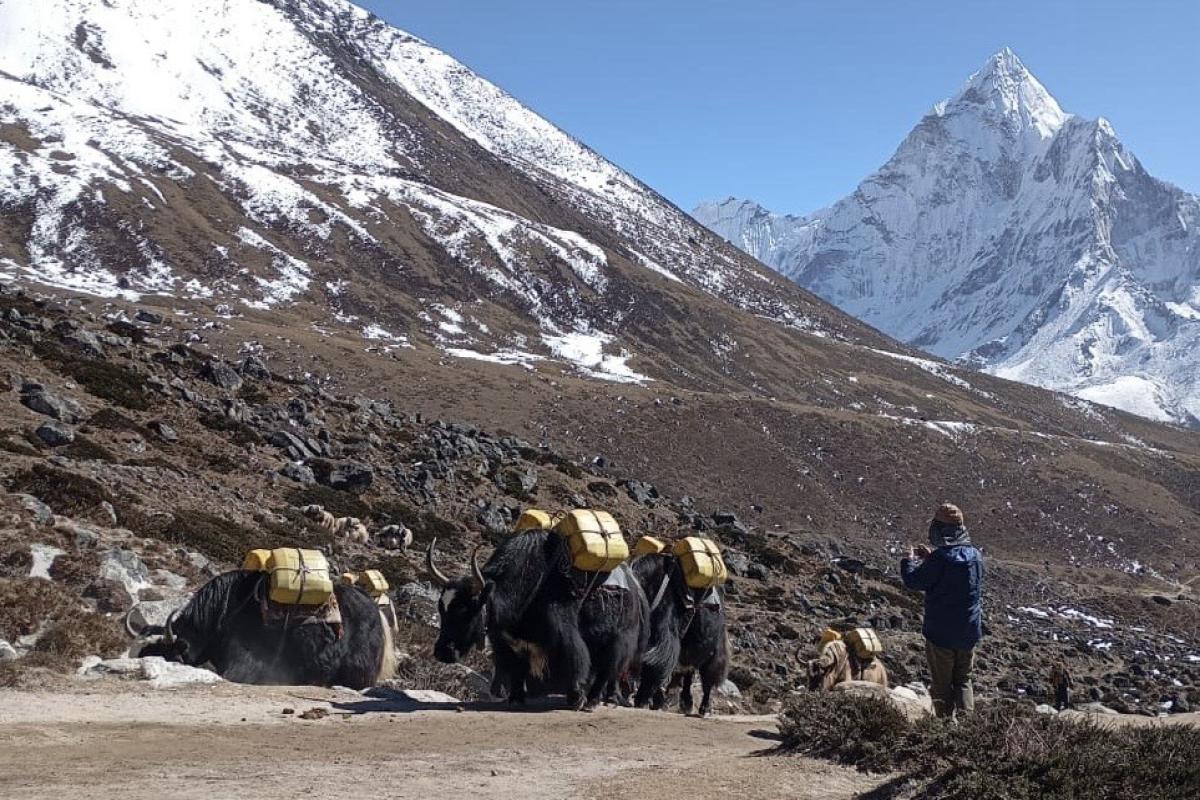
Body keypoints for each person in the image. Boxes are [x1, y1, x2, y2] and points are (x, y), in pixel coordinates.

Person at [901, 503, 984, 719]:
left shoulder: (940, 559)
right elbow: (955, 578)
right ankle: (969, 726)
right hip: (968, 631)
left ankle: (945, 727)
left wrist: (908, 561)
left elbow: (914, 581)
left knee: (941, 683)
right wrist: (931, 558)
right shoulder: (975, 555)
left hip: (941, 634)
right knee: (964, 680)